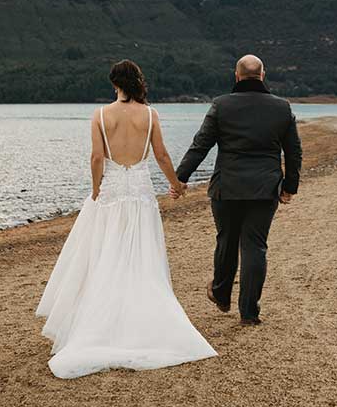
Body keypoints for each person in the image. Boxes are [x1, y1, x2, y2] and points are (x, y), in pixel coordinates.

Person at [35, 59, 217, 379]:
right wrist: (175, 185)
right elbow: (160, 154)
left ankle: (102, 323)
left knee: (106, 255)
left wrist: (95, 189)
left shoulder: (101, 115)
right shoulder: (150, 115)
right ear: (138, 82)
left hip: (113, 191)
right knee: (142, 257)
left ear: (114, 84)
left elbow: (96, 157)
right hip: (141, 192)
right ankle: (144, 322)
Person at [176, 54, 302, 326]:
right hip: (264, 188)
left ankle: (221, 295)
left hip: (228, 187)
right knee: (255, 247)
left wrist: (180, 178)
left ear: (236, 75)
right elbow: (294, 151)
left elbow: (201, 145)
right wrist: (290, 186)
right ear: (263, 75)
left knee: (227, 240)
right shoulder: (281, 107)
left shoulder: (221, 105)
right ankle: (249, 312)